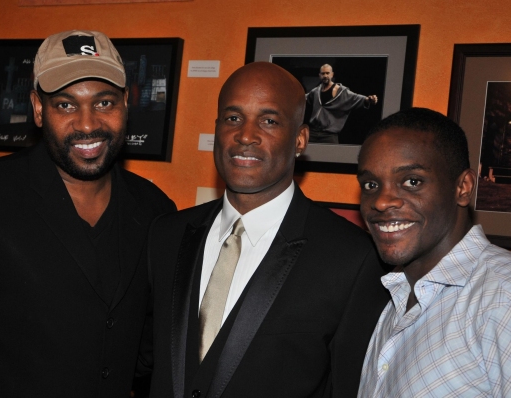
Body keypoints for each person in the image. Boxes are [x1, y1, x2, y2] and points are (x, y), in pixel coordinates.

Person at [0, 30, 175, 397]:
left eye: (104, 103)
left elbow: (145, 349)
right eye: (66, 105)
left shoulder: (155, 210)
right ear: (38, 108)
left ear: (126, 105)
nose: (87, 124)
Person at [147, 62, 389, 398]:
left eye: (269, 121)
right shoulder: (166, 235)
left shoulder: (352, 258)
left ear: (301, 139)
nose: (245, 135)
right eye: (233, 118)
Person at [356, 107, 511, 397]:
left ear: (462, 187)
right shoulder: (396, 297)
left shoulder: (501, 297)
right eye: (370, 184)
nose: (381, 201)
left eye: (412, 181)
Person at [306, 64, 378, 144]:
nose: (325, 76)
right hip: (312, 133)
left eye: (327, 73)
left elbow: (354, 97)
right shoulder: (316, 91)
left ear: (332, 74)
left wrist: (368, 99)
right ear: (319, 75)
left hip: (329, 135)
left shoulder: (340, 91)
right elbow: (303, 98)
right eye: (323, 73)